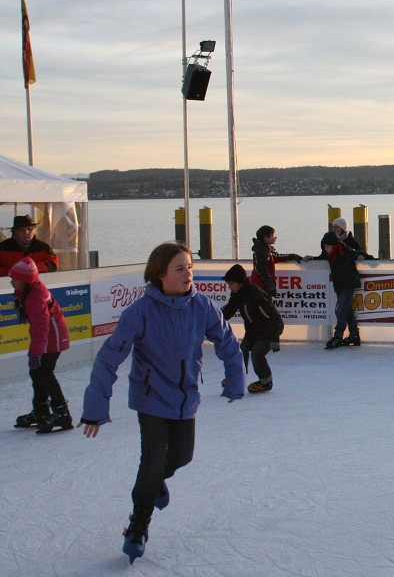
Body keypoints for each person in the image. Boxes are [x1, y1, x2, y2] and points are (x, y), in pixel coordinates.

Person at [79, 241, 244, 564]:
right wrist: (96, 407)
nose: (188, 274)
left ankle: (154, 486)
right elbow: (109, 358)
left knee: (183, 455)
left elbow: (226, 341)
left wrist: (235, 381)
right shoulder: (139, 312)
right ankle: (138, 525)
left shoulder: (202, 306)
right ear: (160, 275)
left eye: (190, 267)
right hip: (151, 399)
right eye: (179, 269)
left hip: (186, 398)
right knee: (153, 460)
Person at [9, 257, 72, 433]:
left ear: (25, 280)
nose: (11, 281)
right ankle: (41, 411)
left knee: (44, 372)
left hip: (53, 336)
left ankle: (62, 413)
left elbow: (41, 326)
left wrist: (36, 353)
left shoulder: (35, 297)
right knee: (37, 372)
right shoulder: (30, 291)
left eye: (15, 278)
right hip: (49, 336)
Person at [221, 264, 284, 393]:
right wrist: (213, 321)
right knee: (240, 351)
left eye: (232, 284)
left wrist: (275, 339)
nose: (230, 287)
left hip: (267, 331)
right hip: (252, 331)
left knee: (257, 354)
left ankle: (266, 382)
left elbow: (274, 318)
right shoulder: (237, 294)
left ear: (240, 283)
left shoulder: (256, 295)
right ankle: (237, 378)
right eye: (228, 284)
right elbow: (228, 311)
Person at [314, 230, 364, 348]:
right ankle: (354, 335)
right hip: (339, 285)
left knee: (340, 311)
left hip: (348, 285)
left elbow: (358, 253)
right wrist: (308, 258)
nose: (325, 249)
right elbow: (319, 258)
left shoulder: (346, 251)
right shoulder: (328, 254)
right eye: (324, 247)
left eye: (327, 246)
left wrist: (369, 258)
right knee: (348, 312)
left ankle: (338, 336)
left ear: (335, 245)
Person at [250, 225, 302, 297]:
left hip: (262, 285)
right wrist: (269, 283)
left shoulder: (266, 249)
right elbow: (261, 268)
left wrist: (291, 256)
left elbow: (275, 257)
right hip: (260, 286)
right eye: (273, 235)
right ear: (266, 237)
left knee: (267, 305)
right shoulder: (261, 250)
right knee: (263, 306)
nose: (275, 237)